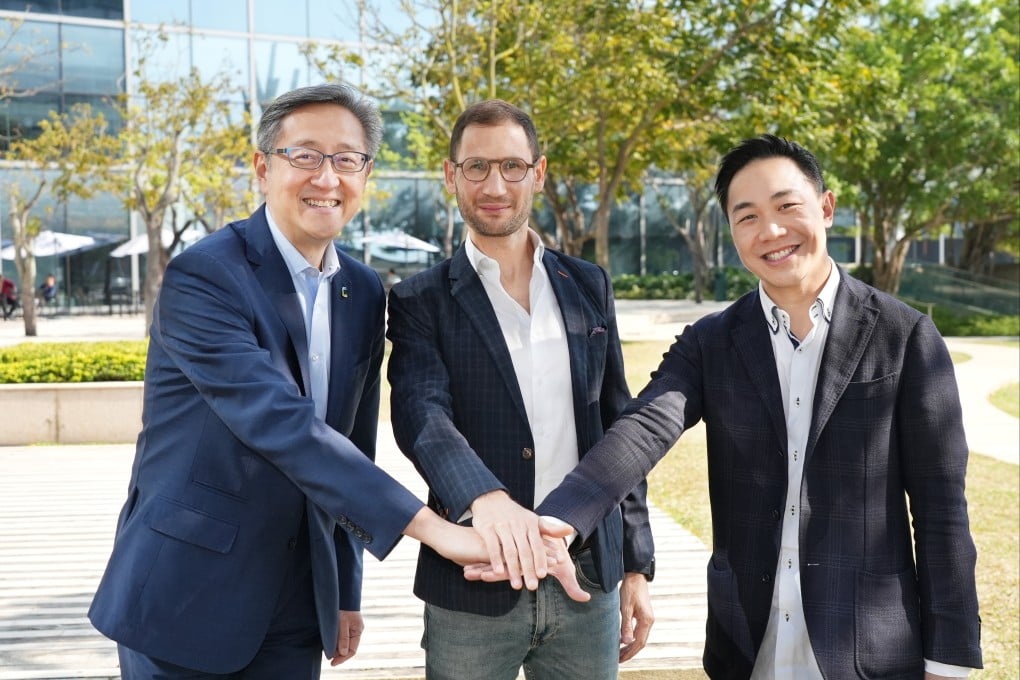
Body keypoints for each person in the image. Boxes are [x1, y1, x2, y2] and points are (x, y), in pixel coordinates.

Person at [88, 83, 580, 680]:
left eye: (347, 159)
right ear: (262, 168)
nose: (327, 177)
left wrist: (346, 586)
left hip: (299, 598)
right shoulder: (206, 276)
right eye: (305, 156)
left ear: (365, 174)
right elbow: (279, 423)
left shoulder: (364, 290)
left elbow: (350, 443)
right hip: (186, 591)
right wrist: (440, 534)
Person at [475, 134, 983, 678]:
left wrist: (948, 661)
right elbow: (643, 428)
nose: (771, 231)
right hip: (746, 646)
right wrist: (561, 518)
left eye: (788, 206)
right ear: (734, 233)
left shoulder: (905, 337)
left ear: (827, 208)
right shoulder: (712, 341)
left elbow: (940, 509)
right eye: (748, 216)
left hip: (871, 650)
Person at [386, 99, 656, 680]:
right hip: (473, 585)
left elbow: (619, 424)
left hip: (587, 580)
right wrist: (487, 499)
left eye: (512, 166)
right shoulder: (417, 300)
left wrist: (636, 565)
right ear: (450, 174)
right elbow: (421, 413)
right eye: (476, 167)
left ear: (537, 172)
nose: (494, 184)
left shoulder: (588, 284)